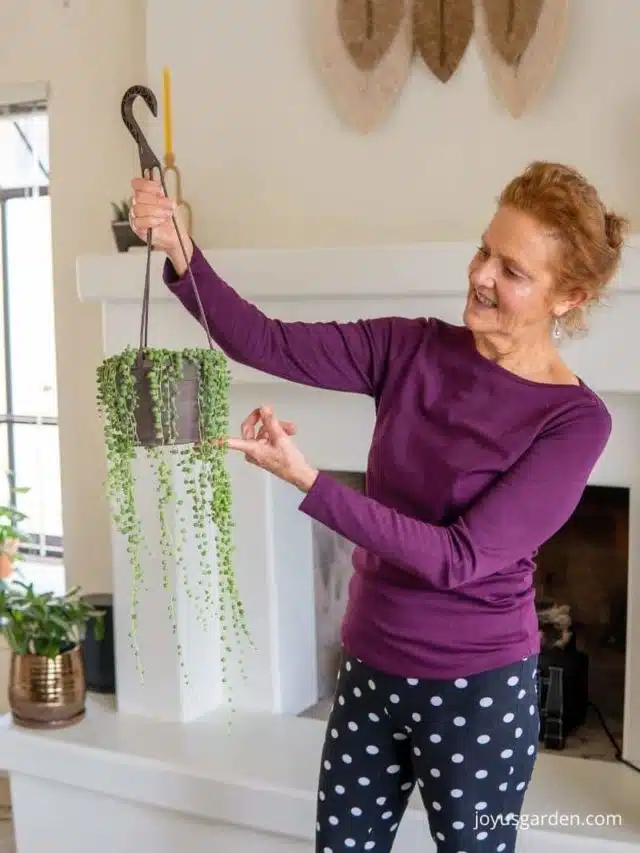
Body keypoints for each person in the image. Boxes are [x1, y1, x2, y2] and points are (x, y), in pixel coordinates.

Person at [130, 161, 626, 853]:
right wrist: (183, 248)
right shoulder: (410, 346)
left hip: (477, 689)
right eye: (485, 249)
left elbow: (459, 558)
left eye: (512, 270)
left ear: (567, 298)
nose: (482, 274)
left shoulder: (573, 421)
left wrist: (311, 483)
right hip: (371, 667)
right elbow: (262, 339)